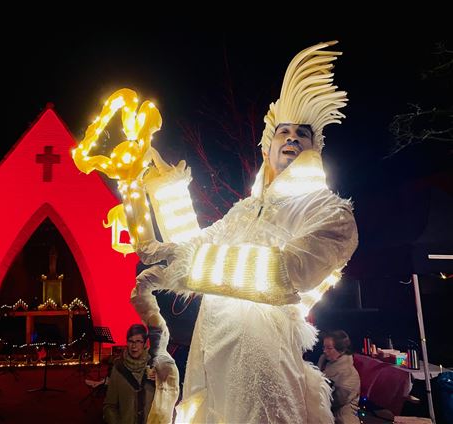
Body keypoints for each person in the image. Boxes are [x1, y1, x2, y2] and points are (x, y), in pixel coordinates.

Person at [134, 41, 359, 423]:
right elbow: (194, 242)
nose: (290, 138)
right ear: (267, 148)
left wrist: (190, 264)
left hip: (262, 360)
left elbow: (289, 271)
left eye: (301, 134)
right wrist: (163, 191)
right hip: (210, 351)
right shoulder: (243, 210)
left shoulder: (330, 211)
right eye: (283, 132)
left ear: (314, 147)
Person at [103, 324, 155, 424]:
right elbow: (109, 406)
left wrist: (162, 382)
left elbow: (166, 401)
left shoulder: (154, 366)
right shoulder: (118, 367)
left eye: (138, 341)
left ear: (145, 344)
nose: (134, 346)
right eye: (130, 341)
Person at [318, 330, 361, 424]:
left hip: (342, 416)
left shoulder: (349, 374)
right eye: (324, 347)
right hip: (324, 410)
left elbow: (335, 401)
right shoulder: (324, 361)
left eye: (329, 348)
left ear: (341, 350)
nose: (325, 351)